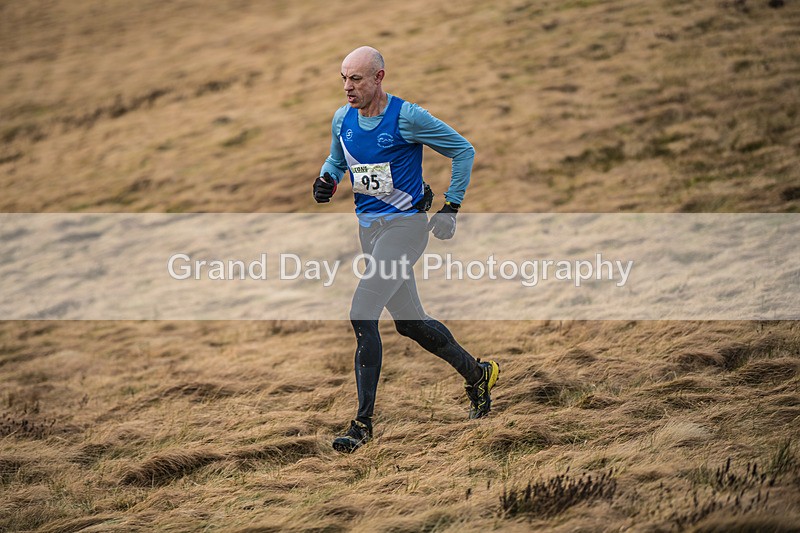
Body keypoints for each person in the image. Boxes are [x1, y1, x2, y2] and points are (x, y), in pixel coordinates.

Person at [313, 46, 499, 453]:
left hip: (407, 229)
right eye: (344, 78)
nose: (348, 87)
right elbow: (336, 160)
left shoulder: (407, 117)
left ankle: (362, 426)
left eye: (357, 78)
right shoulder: (342, 118)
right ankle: (479, 374)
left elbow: (463, 150)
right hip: (370, 231)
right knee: (411, 323)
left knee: (362, 313)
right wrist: (326, 179)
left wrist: (450, 207)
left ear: (379, 77)